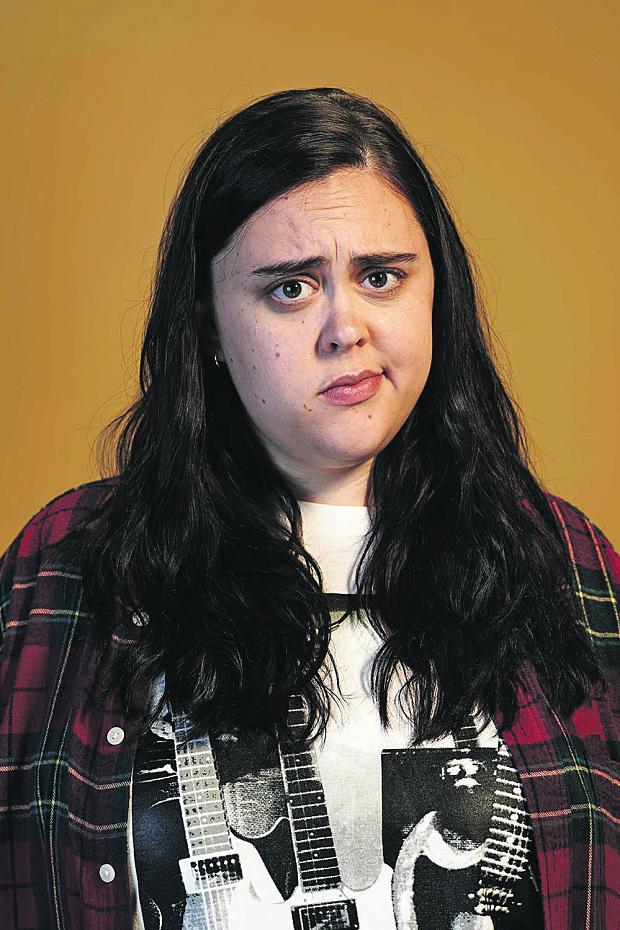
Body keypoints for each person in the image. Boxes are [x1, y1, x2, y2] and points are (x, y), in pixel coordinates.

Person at [0, 86, 617, 930]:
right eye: (290, 288)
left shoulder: (567, 560)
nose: (345, 328)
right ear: (207, 327)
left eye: (381, 277)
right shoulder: (67, 563)